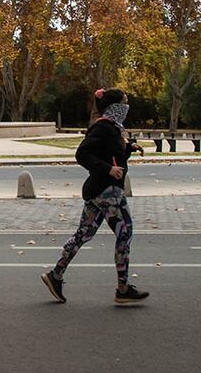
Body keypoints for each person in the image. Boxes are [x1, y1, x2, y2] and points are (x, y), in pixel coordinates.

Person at [41, 87, 149, 305]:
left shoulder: (112, 128)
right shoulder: (103, 127)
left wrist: (128, 148)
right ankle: (123, 288)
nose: (127, 106)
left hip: (98, 191)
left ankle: (56, 274)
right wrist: (108, 169)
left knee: (84, 234)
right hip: (107, 192)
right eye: (124, 102)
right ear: (115, 106)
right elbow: (82, 154)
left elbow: (109, 152)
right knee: (125, 232)